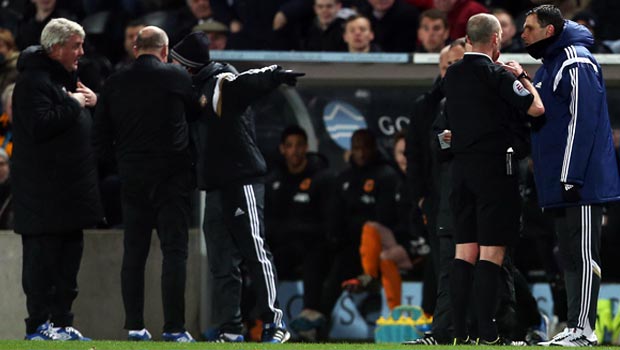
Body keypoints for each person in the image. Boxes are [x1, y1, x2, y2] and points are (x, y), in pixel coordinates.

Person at [169, 31, 303, 343]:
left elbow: (246, 81)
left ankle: (276, 324)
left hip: (241, 181)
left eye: (175, 62)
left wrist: (274, 74)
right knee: (220, 261)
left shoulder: (219, 81)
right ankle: (230, 329)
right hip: (214, 186)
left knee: (255, 252)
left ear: (187, 66)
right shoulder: (193, 90)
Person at [443, 13, 544, 345]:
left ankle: (460, 333)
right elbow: (536, 109)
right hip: (494, 170)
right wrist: (523, 77)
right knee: (491, 254)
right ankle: (487, 332)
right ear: (497, 39)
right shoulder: (495, 73)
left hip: (460, 171)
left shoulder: (453, 74)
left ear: (468, 39)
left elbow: (446, 128)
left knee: (463, 252)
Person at [521, 5, 620, 346]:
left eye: (529, 28)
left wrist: (571, 175)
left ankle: (585, 329)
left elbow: (584, 120)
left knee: (584, 254)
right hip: (562, 181)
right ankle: (574, 324)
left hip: (581, 181)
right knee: (568, 254)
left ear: (549, 30)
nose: (523, 34)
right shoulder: (549, 66)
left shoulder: (575, 60)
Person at [92, 25, 197, 342]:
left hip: (133, 177)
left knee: (134, 252)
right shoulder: (176, 77)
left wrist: (122, 163)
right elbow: (193, 114)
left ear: (135, 48)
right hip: (171, 178)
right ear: (165, 51)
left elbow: (100, 135)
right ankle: (174, 329)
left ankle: (136, 326)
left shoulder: (114, 82)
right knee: (174, 252)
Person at [12, 17, 102, 341]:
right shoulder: (32, 82)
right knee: (41, 267)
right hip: (42, 197)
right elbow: (41, 125)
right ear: (55, 48)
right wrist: (74, 103)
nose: (82, 51)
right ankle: (38, 327)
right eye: (75, 45)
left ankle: (62, 323)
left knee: (67, 268)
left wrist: (91, 102)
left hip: (69, 193)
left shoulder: (65, 80)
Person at [341, 131, 429, 311]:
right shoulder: (398, 181)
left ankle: (394, 310)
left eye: (408, 153)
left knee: (386, 257)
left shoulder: (427, 180)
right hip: (403, 240)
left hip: (424, 244)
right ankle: (369, 276)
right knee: (370, 227)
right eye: (399, 153)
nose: (404, 158)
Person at [265, 125, 332, 341]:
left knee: (315, 254)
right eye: (290, 146)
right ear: (282, 149)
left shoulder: (321, 178)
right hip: (284, 246)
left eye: (299, 145)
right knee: (266, 263)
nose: (295, 151)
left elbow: (328, 222)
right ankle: (258, 320)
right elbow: (268, 222)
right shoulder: (274, 179)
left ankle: (310, 320)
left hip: (314, 244)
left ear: (306, 147)